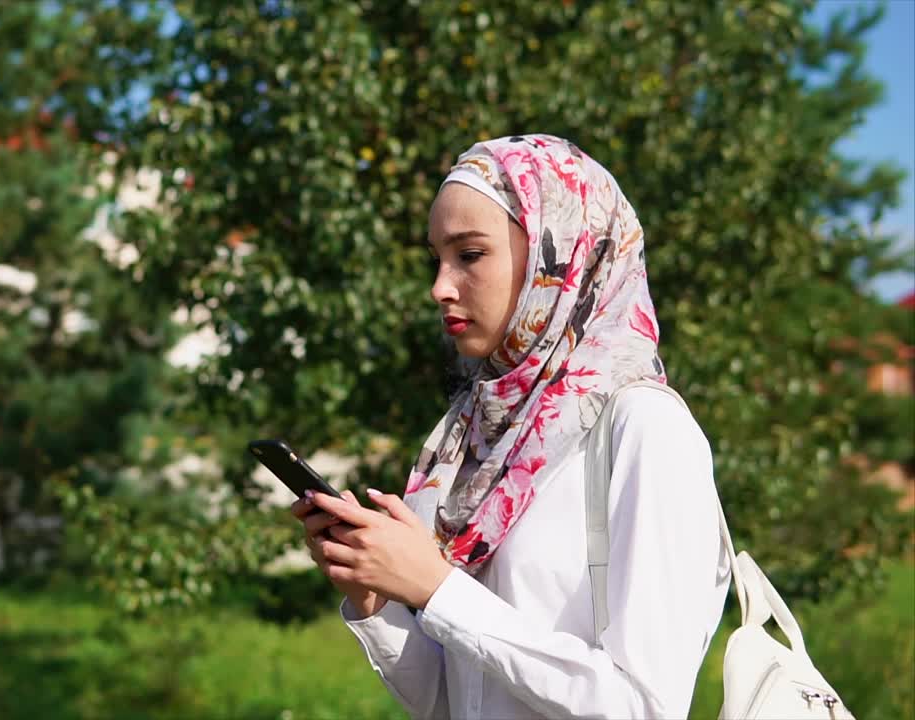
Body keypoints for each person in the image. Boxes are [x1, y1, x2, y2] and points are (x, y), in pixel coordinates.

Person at [290, 134, 730, 719]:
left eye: (469, 255)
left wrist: (437, 588)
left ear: (563, 258)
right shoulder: (472, 437)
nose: (440, 287)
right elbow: (454, 702)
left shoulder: (643, 429)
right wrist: (374, 597)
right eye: (437, 258)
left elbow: (645, 706)